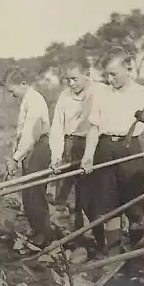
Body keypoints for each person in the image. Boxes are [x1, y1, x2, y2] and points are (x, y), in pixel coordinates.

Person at [81, 46, 144, 260]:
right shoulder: (101, 94)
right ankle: (114, 258)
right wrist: (88, 156)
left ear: (128, 68)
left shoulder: (143, 94)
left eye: (113, 74)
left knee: (135, 209)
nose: (109, 78)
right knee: (109, 208)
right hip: (104, 150)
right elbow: (94, 129)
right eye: (106, 74)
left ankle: (135, 256)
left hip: (129, 150)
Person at [0, 67, 56, 248]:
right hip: (30, 149)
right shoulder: (26, 100)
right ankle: (37, 232)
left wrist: (16, 158)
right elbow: (22, 132)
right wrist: (15, 151)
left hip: (39, 148)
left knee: (35, 195)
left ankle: (47, 238)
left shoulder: (35, 101)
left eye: (12, 90)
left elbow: (31, 135)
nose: (11, 95)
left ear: (23, 84)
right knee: (28, 195)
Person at [49, 68, 107, 236]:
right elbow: (57, 126)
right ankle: (76, 237)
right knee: (69, 199)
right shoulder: (65, 95)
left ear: (86, 74)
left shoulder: (100, 91)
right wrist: (56, 155)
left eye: (74, 79)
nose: (71, 83)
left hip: (93, 146)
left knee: (91, 200)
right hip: (70, 145)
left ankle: (101, 243)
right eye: (68, 79)